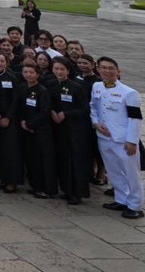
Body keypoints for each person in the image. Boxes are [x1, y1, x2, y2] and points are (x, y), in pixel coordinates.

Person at [92, 57, 144, 219]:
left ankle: (135, 205)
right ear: (98, 70)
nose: (107, 71)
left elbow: (135, 119)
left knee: (131, 173)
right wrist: (95, 123)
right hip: (104, 137)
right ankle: (121, 199)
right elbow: (93, 106)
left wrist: (132, 141)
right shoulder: (97, 86)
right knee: (114, 171)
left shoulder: (129, 93)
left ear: (118, 71)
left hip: (123, 140)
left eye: (111, 68)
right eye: (103, 68)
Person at [49, 58, 91, 205]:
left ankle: (77, 192)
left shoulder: (76, 87)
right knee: (63, 160)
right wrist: (53, 112)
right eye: (56, 69)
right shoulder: (52, 85)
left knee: (75, 161)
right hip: (59, 128)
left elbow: (85, 109)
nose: (59, 72)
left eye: (62, 69)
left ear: (68, 71)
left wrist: (66, 114)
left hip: (75, 129)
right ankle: (66, 189)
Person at [14, 63, 56, 199]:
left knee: (43, 161)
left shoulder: (42, 91)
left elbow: (44, 112)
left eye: (31, 72)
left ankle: (46, 189)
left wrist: (31, 125)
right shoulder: (22, 88)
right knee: (32, 160)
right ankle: (36, 186)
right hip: (25, 128)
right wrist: (23, 122)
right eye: (25, 72)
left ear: (37, 74)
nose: (28, 75)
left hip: (39, 130)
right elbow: (19, 107)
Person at [0, 53, 20, 193]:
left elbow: (15, 100)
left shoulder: (11, 78)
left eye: (2, 61)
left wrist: (8, 117)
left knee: (9, 151)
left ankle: (11, 181)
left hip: (7, 119)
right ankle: (1, 177)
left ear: (7, 63)